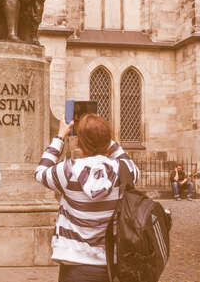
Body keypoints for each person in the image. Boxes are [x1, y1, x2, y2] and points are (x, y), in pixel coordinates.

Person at [35, 114, 140, 282]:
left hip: (75, 265)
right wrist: (102, 135)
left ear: (79, 142)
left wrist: (60, 136)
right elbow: (122, 155)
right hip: (111, 266)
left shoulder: (68, 171)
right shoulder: (125, 170)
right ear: (108, 140)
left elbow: (40, 172)